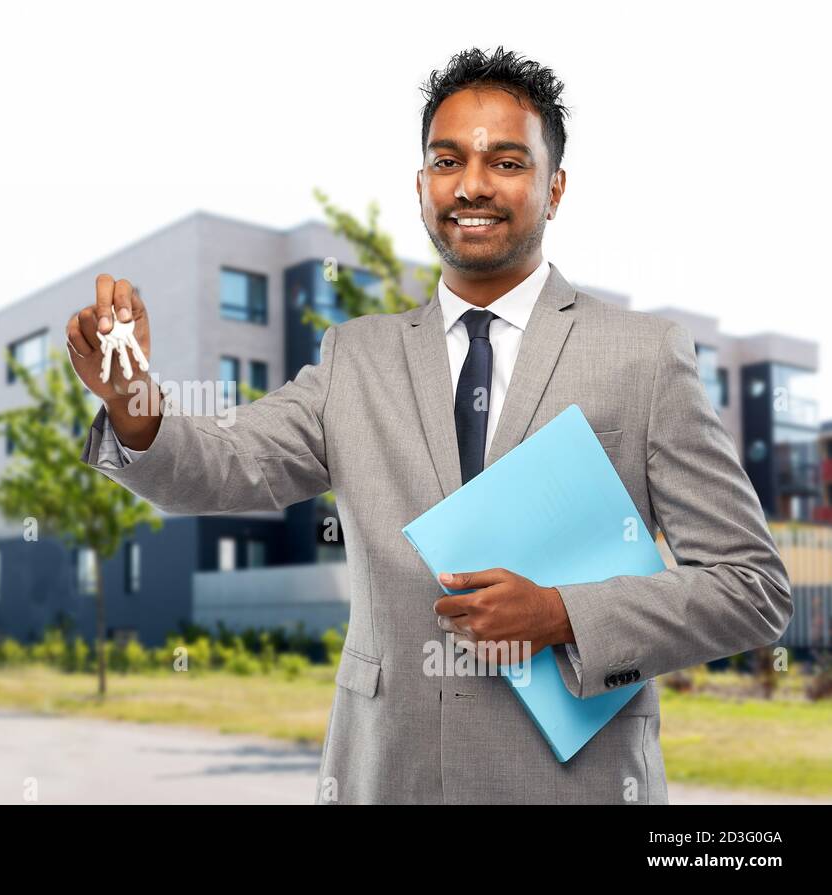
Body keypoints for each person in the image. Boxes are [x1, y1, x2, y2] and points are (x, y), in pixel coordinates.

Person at [63, 46, 791, 804]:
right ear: (421, 186)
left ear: (556, 187)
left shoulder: (643, 356)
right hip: (389, 775)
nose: (471, 184)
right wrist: (135, 401)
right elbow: (224, 464)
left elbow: (752, 587)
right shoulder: (355, 357)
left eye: (507, 162)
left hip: (578, 785)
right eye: (447, 160)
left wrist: (562, 613)